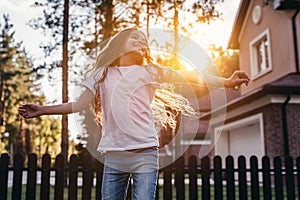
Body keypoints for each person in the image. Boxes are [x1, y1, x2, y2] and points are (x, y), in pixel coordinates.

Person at [18, 28, 250, 200]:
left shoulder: (150, 71)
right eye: (135, 37)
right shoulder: (102, 74)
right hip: (115, 156)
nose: (141, 41)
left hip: (145, 153)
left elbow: (191, 77)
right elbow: (78, 105)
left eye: (144, 40)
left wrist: (228, 81)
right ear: (121, 44)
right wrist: (42, 110)